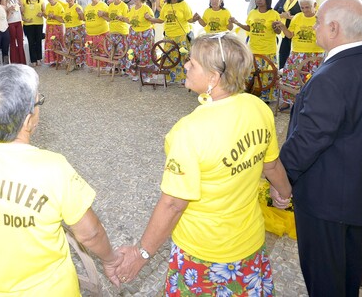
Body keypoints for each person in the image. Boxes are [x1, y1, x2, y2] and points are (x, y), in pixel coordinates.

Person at [115, 32, 291, 295]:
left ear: (213, 78)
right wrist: (283, 192)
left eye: (193, 63)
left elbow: (173, 203)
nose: (185, 65)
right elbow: (272, 165)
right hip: (249, 245)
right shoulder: (259, 108)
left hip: (203, 254)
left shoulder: (189, 131)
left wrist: (140, 254)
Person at [0, 65, 122, 294]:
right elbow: (90, 233)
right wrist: (111, 260)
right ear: (28, 120)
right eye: (39, 102)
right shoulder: (54, 168)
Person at [276, 0, 362, 297]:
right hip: (359, 190)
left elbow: (309, 139)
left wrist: (280, 178)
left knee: (325, 278)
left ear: (333, 28)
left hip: (326, 199)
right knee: (348, 268)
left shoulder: (332, 76)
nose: (314, 27)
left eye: (318, 22)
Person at [275, 0, 323, 111]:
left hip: (315, 54)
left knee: (313, 80)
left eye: (307, 7)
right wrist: (283, 27)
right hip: (297, 53)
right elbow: (290, 35)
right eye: (302, 7)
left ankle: (311, 103)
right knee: (290, 77)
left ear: (314, 5)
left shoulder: (321, 17)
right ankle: (287, 101)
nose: (305, 10)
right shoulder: (297, 17)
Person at [233, 0, 281, 102]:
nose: (258, 0)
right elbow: (249, 28)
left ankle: (266, 98)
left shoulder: (274, 14)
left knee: (267, 75)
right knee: (251, 75)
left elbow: (278, 32)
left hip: (268, 50)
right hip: (253, 49)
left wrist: (275, 27)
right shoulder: (252, 13)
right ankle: (252, 95)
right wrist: (237, 23)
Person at [158, 0, 194, 84]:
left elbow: (190, 19)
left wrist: (195, 18)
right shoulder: (166, 6)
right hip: (168, 36)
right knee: (169, 56)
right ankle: (171, 78)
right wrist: (150, 19)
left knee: (183, 56)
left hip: (181, 35)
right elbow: (161, 19)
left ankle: (184, 78)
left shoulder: (184, 4)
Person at [126, 0, 155, 81]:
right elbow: (129, 20)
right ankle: (135, 73)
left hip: (145, 34)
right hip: (134, 34)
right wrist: (122, 18)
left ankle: (147, 75)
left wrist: (149, 17)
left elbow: (153, 20)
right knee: (134, 54)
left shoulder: (146, 8)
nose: (135, 0)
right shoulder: (132, 9)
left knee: (145, 54)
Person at [273, 0, 302, 68]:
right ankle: (282, 72)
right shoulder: (282, 0)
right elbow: (273, 14)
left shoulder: (301, 1)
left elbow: (303, 16)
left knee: (294, 56)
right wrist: (282, 16)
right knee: (283, 54)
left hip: (296, 33)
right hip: (283, 32)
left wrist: (289, 17)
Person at [83, 0, 110, 69]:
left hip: (101, 33)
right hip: (89, 33)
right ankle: (92, 66)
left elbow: (109, 17)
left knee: (101, 50)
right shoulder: (87, 7)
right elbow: (85, 18)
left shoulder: (103, 5)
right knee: (90, 50)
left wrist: (103, 14)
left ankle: (103, 67)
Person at [106, 0, 131, 73]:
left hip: (122, 32)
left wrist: (122, 18)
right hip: (113, 31)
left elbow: (127, 19)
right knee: (113, 50)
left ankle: (124, 68)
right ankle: (116, 67)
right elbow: (110, 19)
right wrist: (102, 15)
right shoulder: (110, 5)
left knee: (123, 50)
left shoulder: (124, 6)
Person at [21, 0, 45, 67]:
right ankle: (33, 60)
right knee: (31, 42)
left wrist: (42, 13)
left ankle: (39, 58)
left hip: (38, 23)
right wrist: (25, 19)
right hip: (28, 24)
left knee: (38, 41)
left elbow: (44, 10)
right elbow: (21, 13)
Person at [63, 0, 87, 68]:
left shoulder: (77, 7)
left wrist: (80, 13)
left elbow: (82, 18)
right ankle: (72, 62)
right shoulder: (66, 8)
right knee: (69, 45)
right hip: (68, 29)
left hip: (77, 29)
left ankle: (79, 62)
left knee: (78, 46)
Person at [6, 0, 27, 65]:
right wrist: (10, 9)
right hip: (10, 22)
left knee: (20, 42)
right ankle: (14, 61)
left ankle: (22, 61)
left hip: (18, 21)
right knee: (13, 42)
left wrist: (20, 3)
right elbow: (4, 11)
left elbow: (22, 10)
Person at [42, 0, 65, 66]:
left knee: (57, 43)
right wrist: (43, 14)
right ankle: (52, 61)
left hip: (57, 27)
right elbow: (47, 16)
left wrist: (54, 16)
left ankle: (59, 60)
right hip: (49, 26)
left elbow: (62, 20)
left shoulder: (59, 6)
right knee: (50, 43)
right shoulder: (48, 5)